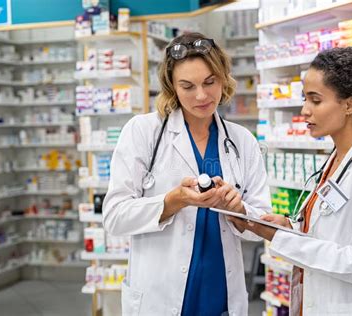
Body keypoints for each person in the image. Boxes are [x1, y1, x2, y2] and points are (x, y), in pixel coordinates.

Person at [233, 47, 352, 315]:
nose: (304, 110)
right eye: (304, 99)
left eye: (315, 100)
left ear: (349, 105)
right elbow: (332, 228)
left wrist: (282, 239)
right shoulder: (337, 157)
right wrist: (290, 226)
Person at [102, 32, 271, 316]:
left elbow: (262, 225)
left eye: (210, 82)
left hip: (221, 298)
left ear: (223, 77)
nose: (202, 95)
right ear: (172, 87)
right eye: (187, 86)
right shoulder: (144, 132)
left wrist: (238, 210)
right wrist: (173, 201)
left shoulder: (242, 141)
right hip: (160, 296)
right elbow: (114, 217)